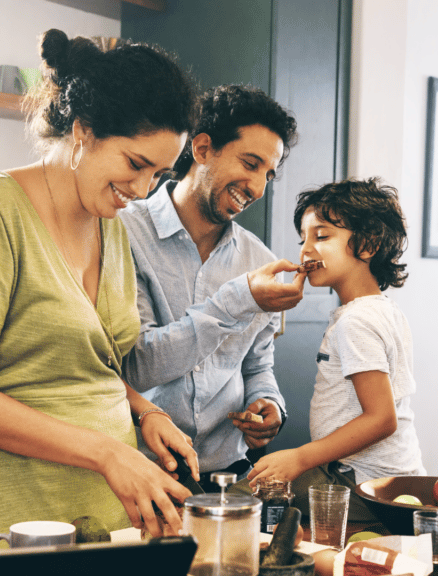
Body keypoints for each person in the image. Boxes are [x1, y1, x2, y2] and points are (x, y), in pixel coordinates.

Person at [0, 29, 200, 552]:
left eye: (160, 174)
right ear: (82, 130)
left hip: (98, 512)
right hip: (4, 510)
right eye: (135, 164)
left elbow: (80, 362)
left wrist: (144, 410)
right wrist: (108, 453)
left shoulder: (110, 224)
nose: (142, 190)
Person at [120, 85, 303, 491]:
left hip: (227, 474)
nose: (257, 187)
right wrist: (239, 299)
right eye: (250, 163)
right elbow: (138, 364)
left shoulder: (259, 260)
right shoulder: (123, 233)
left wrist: (269, 406)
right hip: (141, 473)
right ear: (202, 148)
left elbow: (257, 366)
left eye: (268, 175)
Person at [245, 177, 425, 521]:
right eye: (303, 238)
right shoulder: (382, 309)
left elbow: (381, 419)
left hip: (358, 482)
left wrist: (299, 458)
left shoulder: (355, 322)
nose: (305, 250)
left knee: (241, 502)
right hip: (386, 479)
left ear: (368, 244)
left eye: (322, 236)